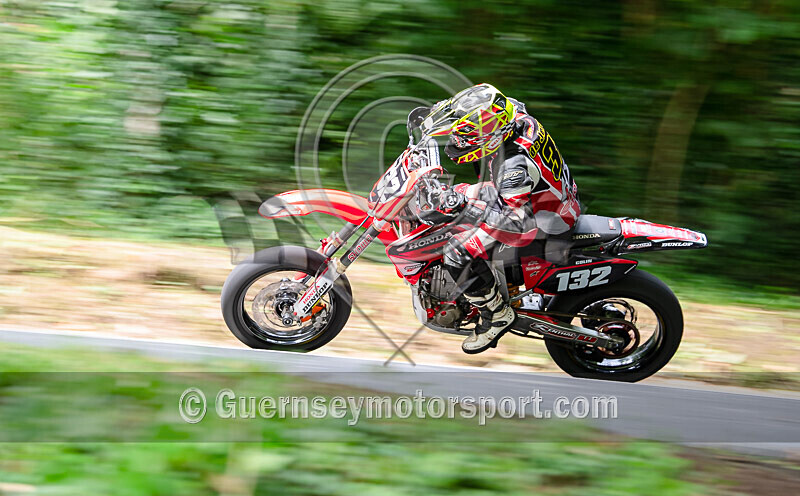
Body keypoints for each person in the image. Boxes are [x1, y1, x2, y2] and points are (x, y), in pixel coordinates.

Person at [408, 83, 581, 354]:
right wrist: (434, 117)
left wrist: (468, 204)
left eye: (467, 137)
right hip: (541, 195)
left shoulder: (513, 165)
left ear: (490, 137)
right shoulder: (512, 112)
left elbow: (514, 221)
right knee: (462, 198)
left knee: (456, 252)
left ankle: (497, 315)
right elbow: (476, 106)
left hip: (540, 219)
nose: (458, 142)